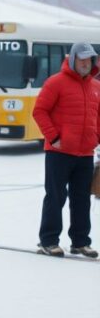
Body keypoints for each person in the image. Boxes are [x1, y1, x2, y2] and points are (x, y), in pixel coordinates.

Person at [31, 41, 99, 258]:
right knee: (56, 197)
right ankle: (48, 241)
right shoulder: (55, 83)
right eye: (82, 59)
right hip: (59, 152)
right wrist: (54, 137)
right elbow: (39, 111)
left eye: (89, 59)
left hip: (85, 153)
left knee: (81, 199)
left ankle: (80, 242)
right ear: (72, 59)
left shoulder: (96, 87)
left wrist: (96, 138)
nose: (86, 64)